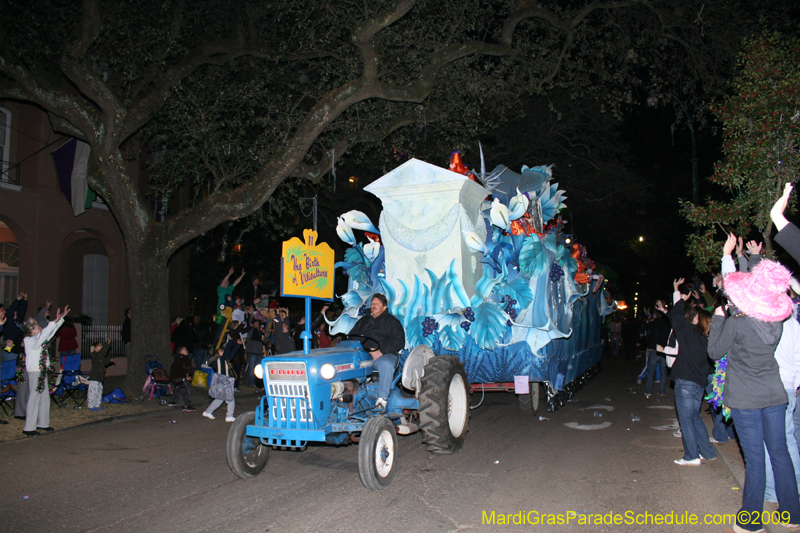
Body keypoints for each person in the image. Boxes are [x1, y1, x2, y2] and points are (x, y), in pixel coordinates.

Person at [708, 255, 800, 532]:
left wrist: (718, 319)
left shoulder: (737, 323)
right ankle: (792, 515)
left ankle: (750, 523)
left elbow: (714, 351)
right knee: (780, 453)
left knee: (755, 458)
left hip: (746, 399)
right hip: (774, 395)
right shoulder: (776, 323)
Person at [668, 278, 716, 466]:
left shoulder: (688, 333)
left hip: (685, 382)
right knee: (695, 419)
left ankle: (691, 456)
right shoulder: (709, 340)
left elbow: (677, 316)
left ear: (698, 320)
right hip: (699, 384)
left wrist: (680, 297)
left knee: (686, 421)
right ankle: (708, 452)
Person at [348, 294, 405, 409]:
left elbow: (399, 341)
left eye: (377, 304)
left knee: (387, 364)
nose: (373, 306)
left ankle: (382, 400)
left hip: (384, 354)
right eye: (372, 303)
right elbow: (352, 336)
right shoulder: (363, 321)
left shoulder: (392, 322)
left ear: (384, 307)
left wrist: (381, 351)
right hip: (363, 355)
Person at [21, 305, 69, 436]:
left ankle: (43, 423)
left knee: (44, 397)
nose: (39, 326)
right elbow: (43, 335)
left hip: (41, 371)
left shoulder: (39, 339)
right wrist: (54, 322)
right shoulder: (29, 340)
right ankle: (29, 427)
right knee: (34, 398)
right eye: (36, 325)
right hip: (35, 371)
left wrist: (60, 319)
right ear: (30, 330)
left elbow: (49, 333)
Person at [644, 303, 671, 398]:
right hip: (664, 350)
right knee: (664, 372)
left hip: (653, 349)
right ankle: (661, 391)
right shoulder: (668, 325)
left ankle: (649, 391)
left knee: (651, 371)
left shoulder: (652, 324)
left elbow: (646, 334)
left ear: (655, 315)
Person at [167, 346, 196, 412]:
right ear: (181, 352)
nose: (187, 351)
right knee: (186, 390)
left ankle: (173, 401)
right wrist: (188, 375)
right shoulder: (185, 359)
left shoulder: (177, 359)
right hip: (181, 377)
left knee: (177, 388)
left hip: (173, 378)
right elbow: (187, 367)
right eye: (185, 350)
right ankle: (188, 406)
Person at [87, 339, 113, 411]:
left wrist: (109, 360)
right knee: (93, 392)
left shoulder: (100, 357)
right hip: (94, 378)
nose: (101, 346)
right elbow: (103, 352)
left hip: (100, 378)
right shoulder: (96, 355)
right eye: (100, 346)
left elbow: (104, 361)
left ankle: (97, 405)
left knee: (99, 391)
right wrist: (107, 344)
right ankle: (91, 406)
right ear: (95, 349)